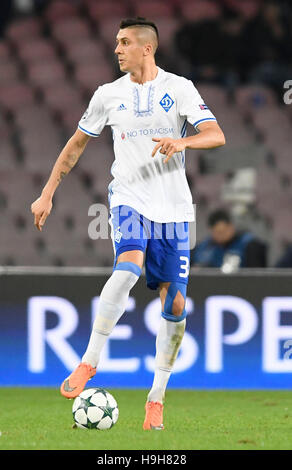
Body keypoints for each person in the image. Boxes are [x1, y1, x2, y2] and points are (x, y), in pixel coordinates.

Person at [31, 17, 225, 430]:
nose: (116, 49)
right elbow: (76, 145)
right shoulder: (108, 95)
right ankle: (89, 361)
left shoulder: (180, 88)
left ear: (147, 48)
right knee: (129, 266)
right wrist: (48, 191)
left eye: (124, 42)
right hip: (129, 198)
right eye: (116, 42)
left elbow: (215, 134)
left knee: (174, 304)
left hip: (174, 210)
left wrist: (183, 140)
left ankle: (156, 398)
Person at [191, 209, 267, 270]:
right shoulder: (203, 247)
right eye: (216, 232)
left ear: (231, 227)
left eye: (222, 231)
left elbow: (256, 275)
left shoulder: (250, 245)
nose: (220, 236)